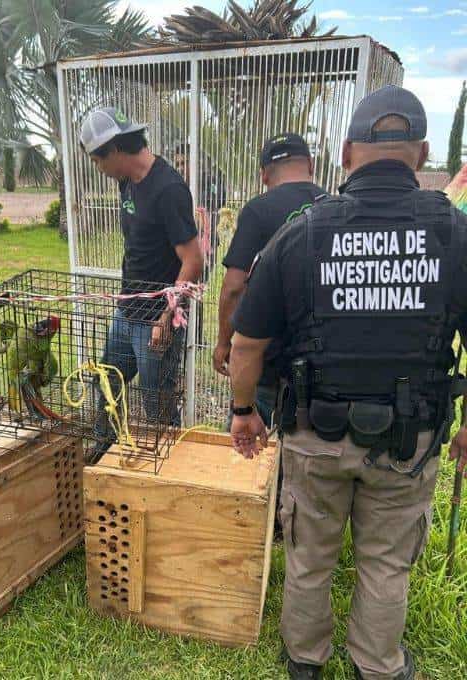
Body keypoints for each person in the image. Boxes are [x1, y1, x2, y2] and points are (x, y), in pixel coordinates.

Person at [228, 85, 467, 680]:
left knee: (308, 555)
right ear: (422, 152)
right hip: (409, 442)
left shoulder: (300, 231)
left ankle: (306, 661)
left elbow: (247, 342)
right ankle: (377, 666)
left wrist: (242, 412)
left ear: (344, 152)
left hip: (314, 435)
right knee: (386, 563)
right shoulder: (455, 234)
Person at [78, 107, 203, 461]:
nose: (98, 170)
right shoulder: (127, 181)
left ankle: (171, 464)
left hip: (156, 321)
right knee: (108, 382)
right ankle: (102, 449)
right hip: (126, 311)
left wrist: (167, 317)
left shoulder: (168, 189)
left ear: (115, 150)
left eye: (97, 161)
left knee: (157, 401)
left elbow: (193, 261)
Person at [215, 133, 327, 425]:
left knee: (245, 451)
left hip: (265, 360)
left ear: (264, 174)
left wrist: (223, 342)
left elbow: (233, 287)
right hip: (318, 365)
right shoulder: (335, 208)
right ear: (311, 165)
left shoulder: (258, 210)